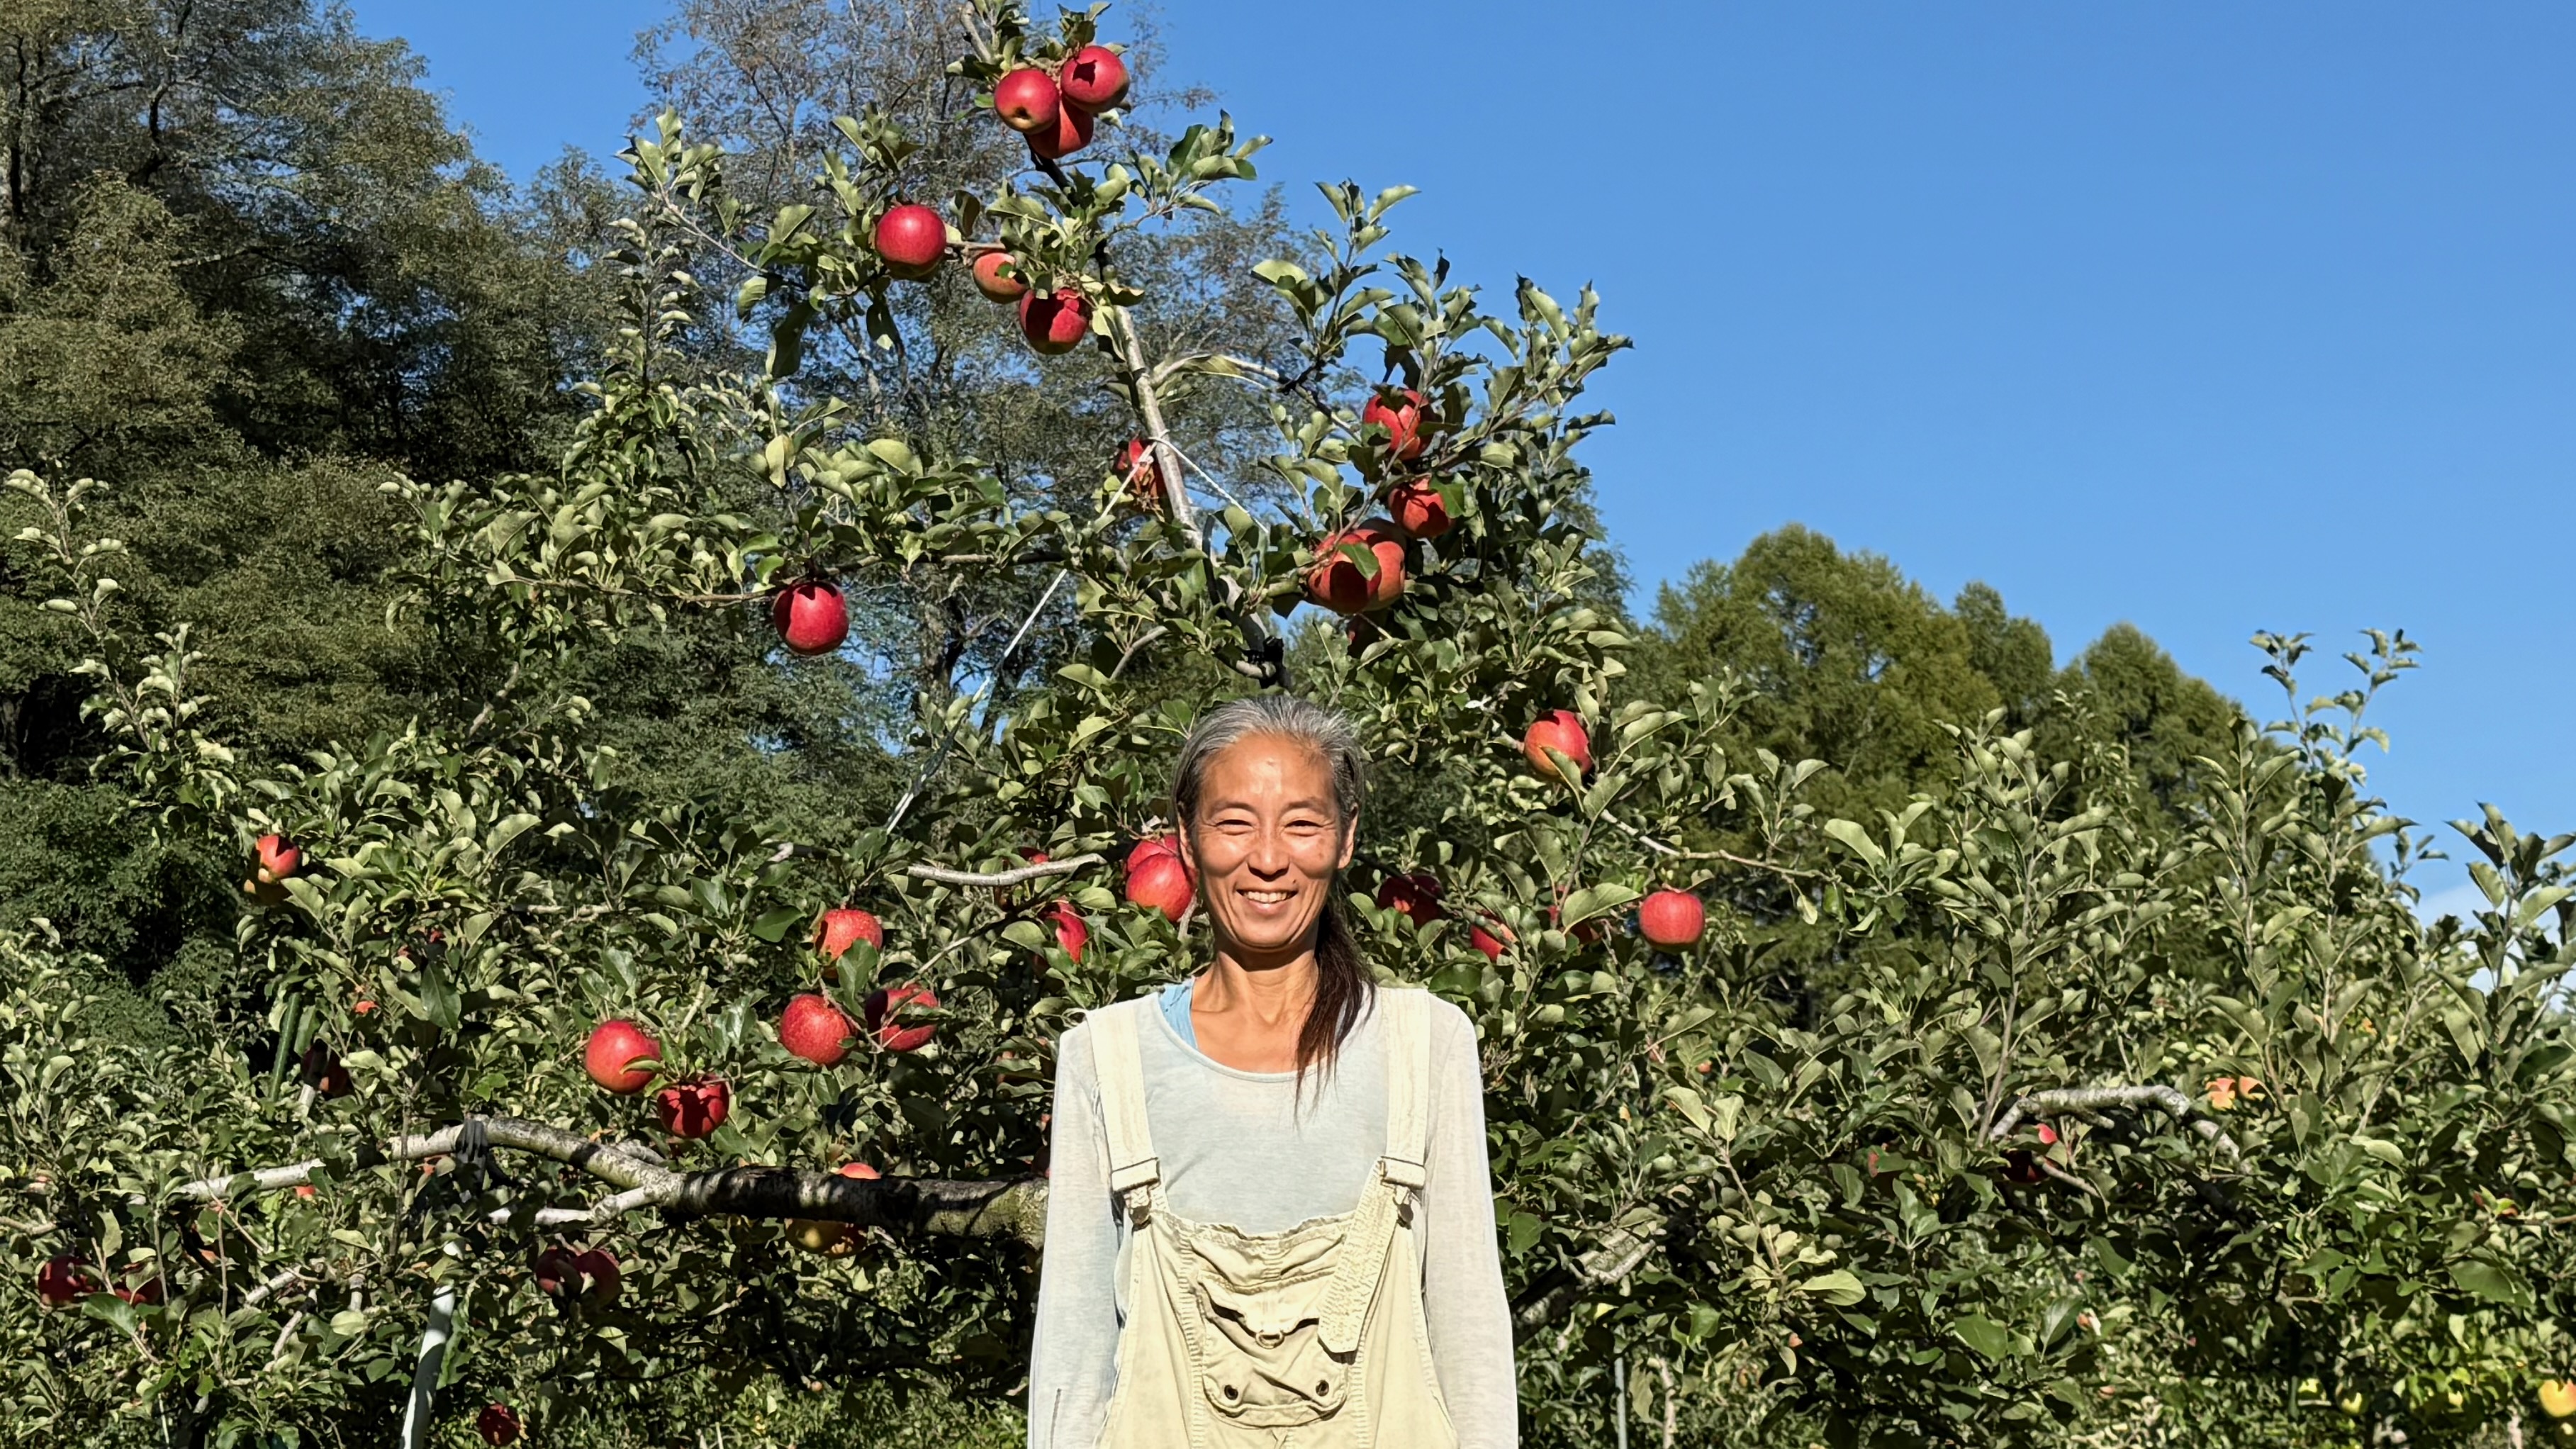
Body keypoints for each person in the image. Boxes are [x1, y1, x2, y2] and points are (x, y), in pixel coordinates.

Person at [1026, 695, 1518, 1448]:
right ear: (1187, 840)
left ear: (1345, 839)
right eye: (1234, 822)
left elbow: (1469, 1330)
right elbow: (1074, 1349)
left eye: (1301, 823)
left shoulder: (1426, 1047)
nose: (1267, 858)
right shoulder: (1106, 1058)